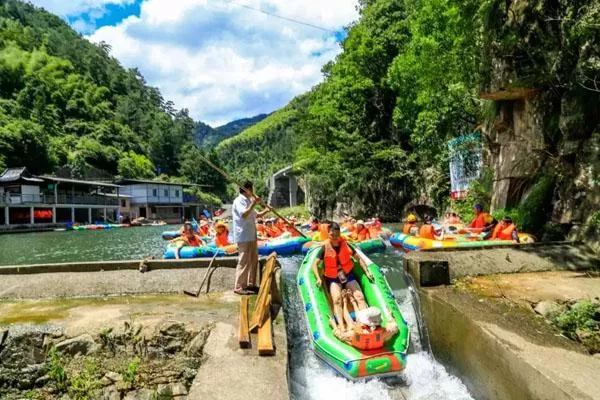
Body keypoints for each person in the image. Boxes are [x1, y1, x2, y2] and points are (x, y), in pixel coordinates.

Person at [312, 222, 373, 332]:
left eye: (337, 235)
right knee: (337, 300)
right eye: (332, 235)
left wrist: (367, 272)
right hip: (333, 277)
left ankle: (364, 324)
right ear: (328, 234)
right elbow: (314, 264)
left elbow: (358, 258)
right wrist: (318, 278)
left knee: (359, 296)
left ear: (340, 234)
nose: (335, 238)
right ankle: (341, 326)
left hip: (348, 274)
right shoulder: (324, 248)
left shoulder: (346, 244)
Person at [232, 181, 271, 295]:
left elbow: (256, 215)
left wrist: (266, 210)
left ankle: (251, 284)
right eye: (251, 189)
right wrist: (254, 203)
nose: (253, 192)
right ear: (247, 189)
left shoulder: (248, 201)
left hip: (251, 235)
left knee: (253, 260)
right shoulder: (238, 201)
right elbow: (244, 214)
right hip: (243, 235)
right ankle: (239, 287)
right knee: (244, 261)